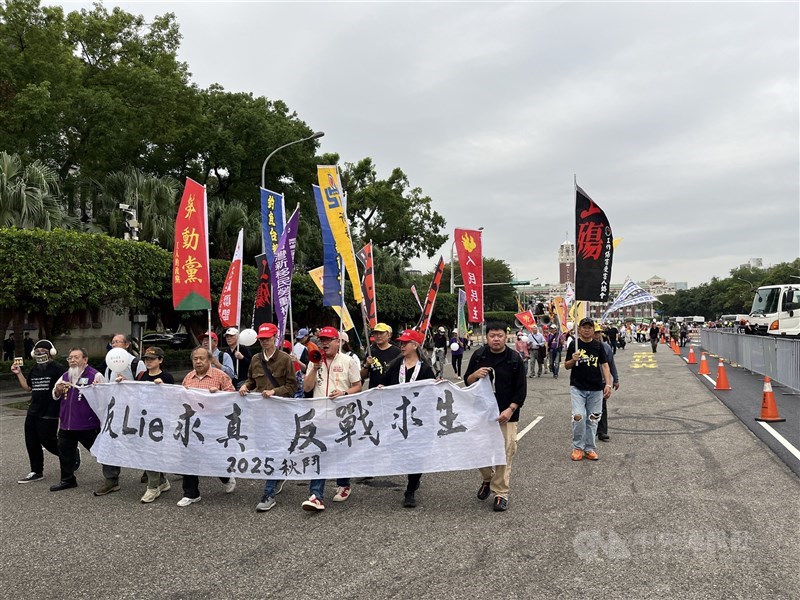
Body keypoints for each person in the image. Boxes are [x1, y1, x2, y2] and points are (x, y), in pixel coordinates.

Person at [464, 321, 526, 512]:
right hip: (482, 414)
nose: (496, 339)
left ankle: (500, 493)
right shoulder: (479, 355)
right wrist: (475, 374)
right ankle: (487, 479)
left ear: (505, 337)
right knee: (479, 450)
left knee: (505, 454)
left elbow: (521, 389)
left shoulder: (514, 358)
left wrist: (510, 409)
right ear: (487, 337)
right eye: (492, 336)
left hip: (506, 414)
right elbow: (467, 382)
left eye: (499, 335)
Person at [237, 323, 298, 513]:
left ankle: (268, 493)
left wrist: (275, 391)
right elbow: (252, 380)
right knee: (264, 448)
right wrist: (246, 386)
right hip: (260, 412)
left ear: (275, 338)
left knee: (274, 448)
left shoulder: (285, 359)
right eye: (262, 339)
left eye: (268, 338)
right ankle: (278, 474)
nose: (265, 342)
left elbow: (292, 386)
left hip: (279, 412)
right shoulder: (255, 359)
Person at [301, 326, 362, 512]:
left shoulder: (348, 361)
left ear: (338, 342)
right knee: (319, 453)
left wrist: (343, 393)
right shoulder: (314, 360)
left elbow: (357, 386)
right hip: (319, 415)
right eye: (322, 340)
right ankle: (316, 495)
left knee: (340, 451)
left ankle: (344, 484)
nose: (324, 343)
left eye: (328, 339)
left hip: (342, 415)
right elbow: (306, 388)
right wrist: (314, 368)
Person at [379, 329, 436, 508]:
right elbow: (385, 382)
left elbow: (432, 393)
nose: (402, 346)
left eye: (405, 343)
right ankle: (412, 476)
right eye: (401, 343)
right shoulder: (396, 365)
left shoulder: (425, 369)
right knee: (397, 452)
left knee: (416, 455)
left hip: (418, 420)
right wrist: (381, 387)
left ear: (415, 345)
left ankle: (410, 489)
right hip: (398, 417)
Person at [176, 347, 237, 507]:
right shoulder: (188, 377)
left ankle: (226, 477)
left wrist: (219, 395)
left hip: (214, 425)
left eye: (202, 358)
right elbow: (181, 400)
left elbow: (233, 397)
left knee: (214, 458)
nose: (198, 361)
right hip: (193, 425)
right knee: (189, 458)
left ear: (209, 359)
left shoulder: (220, 376)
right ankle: (191, 493)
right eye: (195, 358)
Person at [96, 333, 147, 496]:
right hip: (114, 410)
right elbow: (107, 386)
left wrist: (128, 384)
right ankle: (111, 479)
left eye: (119, 341)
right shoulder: (109, 364)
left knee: (139, 442)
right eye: (113, 342)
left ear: (126, 345)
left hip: (133, 410)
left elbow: (146, 387)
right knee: (109, 442)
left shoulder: (136, 363)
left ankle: (153, 471)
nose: (115, 344)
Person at [49, 348, 105, 492]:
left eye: (76, 357)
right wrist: (58, 390)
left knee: (99, 450)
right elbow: (54, 395)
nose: (72, 360)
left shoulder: (95, 375)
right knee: (65, 452)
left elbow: (103, 399)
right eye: (70, 358)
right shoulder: (65, 376)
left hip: (87, 424)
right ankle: (67, 479)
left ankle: (112, 475)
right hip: (67, 424)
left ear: (85, 360)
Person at [11, 339, 63, 484]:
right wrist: (18, 373)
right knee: (31, 440)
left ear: (51, 353)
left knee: (47, 440)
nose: (40, 354)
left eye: (44, 352)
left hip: (50, 411)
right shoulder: (35, 369)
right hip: (33, 411)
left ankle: (69, 453)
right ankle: (36, 471)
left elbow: (66, 384)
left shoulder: (58, 368)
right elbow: (28, 388)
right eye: (38, 352)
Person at [564, 318, 613, 461]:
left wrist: (608, 384)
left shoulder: (598, 346)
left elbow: (605, 365)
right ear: (579, 330)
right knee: (579, 417)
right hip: (577, 387)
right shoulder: (574, 344)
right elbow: (567, 366)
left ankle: (589, 448)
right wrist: (573, 359)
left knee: (593, 419)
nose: (586, 330)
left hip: (596, 388)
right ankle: (577, 447)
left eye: (589, 327)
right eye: (584, 327)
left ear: (593, 330)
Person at [136, 347, 175, 503]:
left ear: (160, 360)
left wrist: (163, 387)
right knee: (148, 451)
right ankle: (162, 481)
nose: (148, 361)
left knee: (152, 452)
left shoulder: (167, 377)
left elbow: (173, 399)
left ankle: (152, 487)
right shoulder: (142, 376)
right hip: (144, 420)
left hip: (160, 422)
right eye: (146, 359)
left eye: (152, 359)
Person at [593, 325, 619, 443]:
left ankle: (602, 431)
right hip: (589, 381)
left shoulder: (607, 347)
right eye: (596, 332)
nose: (598, 335)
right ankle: (591, 429)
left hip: (603, 382)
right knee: (589, 407)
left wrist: (616, 379)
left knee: (602, 406)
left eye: (599, 332)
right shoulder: (586, 348)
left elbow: (611, 364)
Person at [361, 323, 401, 389]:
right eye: (376, 333)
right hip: (374, 392)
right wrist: (366, 365)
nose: (378, 336)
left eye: (381, 333)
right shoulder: (371, 352)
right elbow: (362, 376)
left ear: (388, 335)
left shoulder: (397, 352)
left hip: (392, 392)